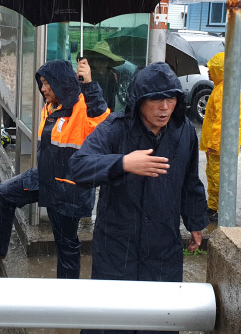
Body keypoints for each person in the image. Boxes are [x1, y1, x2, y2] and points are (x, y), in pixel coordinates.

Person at [69, 62, 208, 303]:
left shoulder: (183, 130)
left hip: (163, 247)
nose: (165, 108)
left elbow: (190, 181)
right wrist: (122, 164)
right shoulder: (116, 129)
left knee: (160, 317)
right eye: (156, 100)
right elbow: (78, 167)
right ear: (139, 100)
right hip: (117, 247)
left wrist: (195, 222)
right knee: (113, 319)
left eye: (171, 99)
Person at [0, 59, 109, 278]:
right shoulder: (51, 107)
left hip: (69, 188)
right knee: (3, 193)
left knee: (66, 244)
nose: (43, 89)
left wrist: (90, 84)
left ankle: (67, 295)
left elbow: (100, 119)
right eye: (41, 83)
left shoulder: (82, 107)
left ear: (61, 82)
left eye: (47, 83)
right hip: (44, 177)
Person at [199, 52, 241, 222]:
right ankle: (213, 206)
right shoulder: (222, 89)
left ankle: (219, 208)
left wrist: (215, 144)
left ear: (220, 70)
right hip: (218, 145)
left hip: (219, 146)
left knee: (218, 177)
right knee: (213, 175)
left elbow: (222, 121)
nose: (209, 73)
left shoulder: (224, 91)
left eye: (212, 69)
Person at [83, 41, 125, 111]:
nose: (100, 63)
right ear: (93, 61)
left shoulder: (112, 76)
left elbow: (112, 99)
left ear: (108, 62)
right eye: (97, 59)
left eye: (103, 60)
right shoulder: (88, 76)